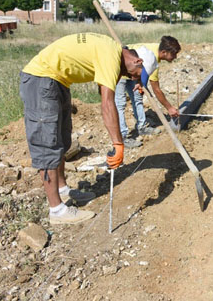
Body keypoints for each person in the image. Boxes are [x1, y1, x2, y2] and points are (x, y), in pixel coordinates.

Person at [20, 33, 158, 224]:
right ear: (137, 60)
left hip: (57, 81)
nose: (131, 78)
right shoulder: (111, 55)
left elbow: (113, 80)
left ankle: (63, 190)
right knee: (48, 144)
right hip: (41, 79)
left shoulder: (113, 53)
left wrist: (138, 82)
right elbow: (107, 103)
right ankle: (57, 211)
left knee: (61, 139)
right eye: (134, 75)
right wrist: (118, 143)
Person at [115, 36, 181, 148]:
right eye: (173, 54)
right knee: (120, 104)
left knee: (138, 98)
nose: (175, 57)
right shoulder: (151, 59)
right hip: (121, 69)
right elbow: (156, 89)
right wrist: (169, 108)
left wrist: (141, 84)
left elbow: (144, 80)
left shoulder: (155, 53)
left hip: (135, 72)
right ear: (164, 52)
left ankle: (142, 127)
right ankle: (123, 137)